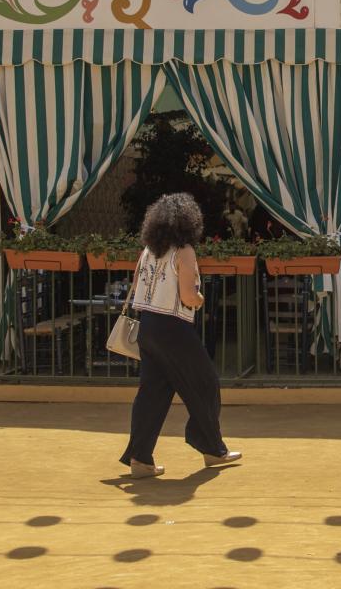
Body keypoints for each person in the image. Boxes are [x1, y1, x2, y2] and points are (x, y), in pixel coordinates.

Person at [121, 193, 240, 478]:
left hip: (147, 326)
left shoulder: (148, 250)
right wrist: (200, 299)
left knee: (152, 393)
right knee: (206, 383)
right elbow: (188, 296)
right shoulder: (184, 251)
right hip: (172, 327)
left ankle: (140, 458)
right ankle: (211, 447)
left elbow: (136, 285)